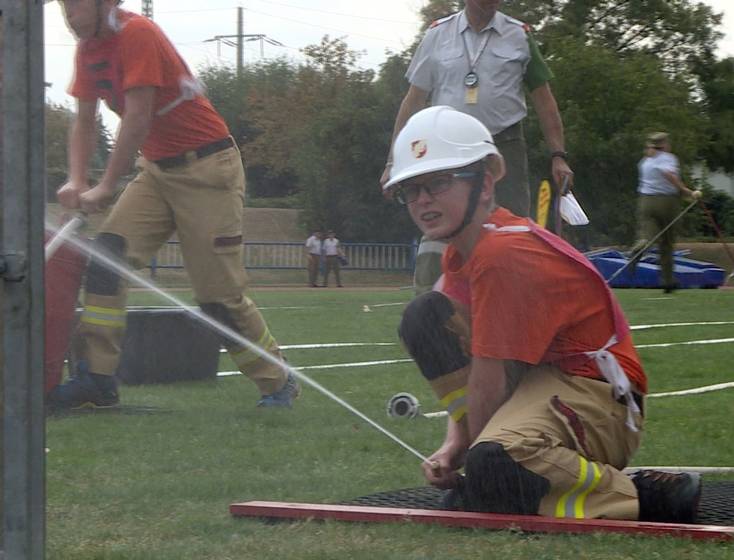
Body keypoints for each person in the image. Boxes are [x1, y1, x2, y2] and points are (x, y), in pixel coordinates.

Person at [383, 106, 701, 523]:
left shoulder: (503, 254)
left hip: (599, 396)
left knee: (497, 464)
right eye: (412, 189)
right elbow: (475, 376)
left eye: (439, 182)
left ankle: (641, 495)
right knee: (425, 317)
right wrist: (456, 445)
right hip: (549, 383)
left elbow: (489, 376)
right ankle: (505, 472)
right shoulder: (466, 255)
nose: (423, 200)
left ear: (484, 182)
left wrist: (480, 467)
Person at [49, 0, 300, 410]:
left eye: (76, 4)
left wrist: (107, 185)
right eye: (63, 5)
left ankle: (277, 381)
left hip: (207, 169)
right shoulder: (88, 50)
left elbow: (138, 117)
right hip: (157, 171)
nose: (68, 15)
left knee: (217, 297)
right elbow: (83, 119)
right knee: (106, 259)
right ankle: (97, 380)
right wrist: (77, 180)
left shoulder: (138, 34)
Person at [380, 0, 574, 295]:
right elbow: (414, 98)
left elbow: (544, 101)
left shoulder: (519, 34)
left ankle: (513, 316)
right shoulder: (437, 34)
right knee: (439, 229)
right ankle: (432, 316)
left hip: (503, 147)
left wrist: (558, 155)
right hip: (447, 152)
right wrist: (394, 162)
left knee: (510, 235)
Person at [630, 132, 701, 293]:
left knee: (647, 233)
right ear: (664, 144)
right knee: (667, 242)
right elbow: (668, 174)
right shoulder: (667, 158)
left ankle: (642, 244)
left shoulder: (645, 161)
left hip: (645, 200)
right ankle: (667, 281)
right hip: (667, 201)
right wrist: (686, 191)